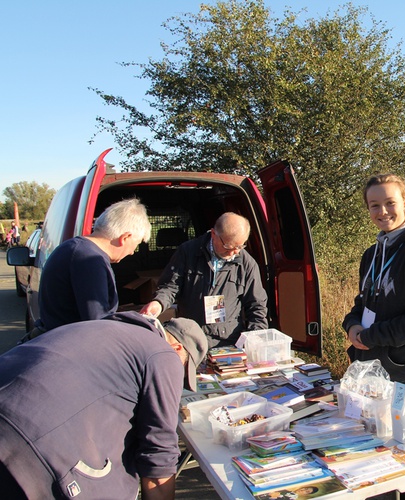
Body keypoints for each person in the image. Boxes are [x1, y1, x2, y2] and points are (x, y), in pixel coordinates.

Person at [0, 311, 208, 499]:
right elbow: (159, 454)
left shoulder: (103, 329)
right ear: (177, 348)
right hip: (34, 450)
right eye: (183, 368)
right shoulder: (164, 354)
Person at [342, 174, 405, 500]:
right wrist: (352, 326)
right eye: (375, 205)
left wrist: (373, 336)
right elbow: (363, 303)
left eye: (390, 203)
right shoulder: (372, 253)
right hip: (373, 377)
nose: (382, 210)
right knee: (376, 465)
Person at [141, 212, 268, 348]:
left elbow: (257, 305)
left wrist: (256, 340)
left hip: (227, 341)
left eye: (240, 246)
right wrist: (158, 303)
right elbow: (170, 287)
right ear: (214, 234)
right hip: (189, 338)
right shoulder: (187, 252)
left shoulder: (246, 263)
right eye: (228, 247)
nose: (234, 253)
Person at [34, 198, 151, 333]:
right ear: (125, 238)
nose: (132, 253)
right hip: (72, 343)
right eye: (136, 245)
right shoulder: (90, 260)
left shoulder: (74, 248)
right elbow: (97, 323)